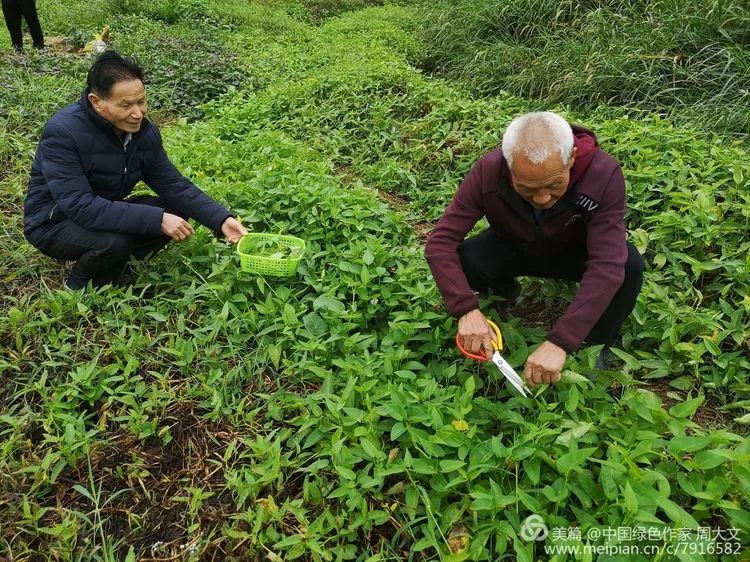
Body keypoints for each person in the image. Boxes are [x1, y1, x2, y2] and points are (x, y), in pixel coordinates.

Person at [424, 111, 645, 387]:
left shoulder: (604, 174)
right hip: (515, 245)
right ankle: (503, 294)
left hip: (575, 253)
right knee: (469, 257)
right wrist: (465, 309)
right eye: (527, 189)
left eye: (555, 185)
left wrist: (561, 341)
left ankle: (597, 341)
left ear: (572, 158)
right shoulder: (488, 172)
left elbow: (607, 265)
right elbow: (440, 243)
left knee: (628, 266)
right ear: (509, 167)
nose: (543, 199)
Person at [23, 50, 247, 290]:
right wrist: (156, 219)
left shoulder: (143, 133)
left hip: (101, 209)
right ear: (96, 102)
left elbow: (174, 185)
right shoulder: (63, 133)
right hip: (54, 221)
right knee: (113, 242)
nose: (138, 113)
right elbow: (80, 206)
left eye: (141, 102)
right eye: (126, 105)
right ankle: (79, 286)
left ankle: (115, 262)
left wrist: (221, 220)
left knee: (175, 212)